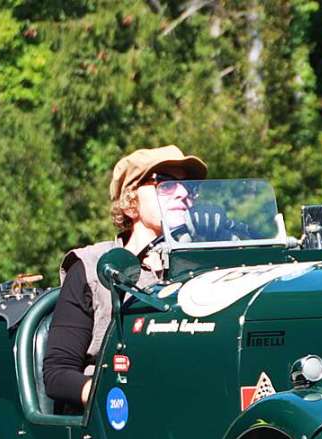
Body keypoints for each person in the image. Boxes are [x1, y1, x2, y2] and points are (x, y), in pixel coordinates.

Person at [43, 145, 207, 411]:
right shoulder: (91, 267)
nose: (183, 193)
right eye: (165, 184)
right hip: (116, 422)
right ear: (131, 201)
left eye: (189, 186)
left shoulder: (206, 268)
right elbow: (57, 374)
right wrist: (111, 395)